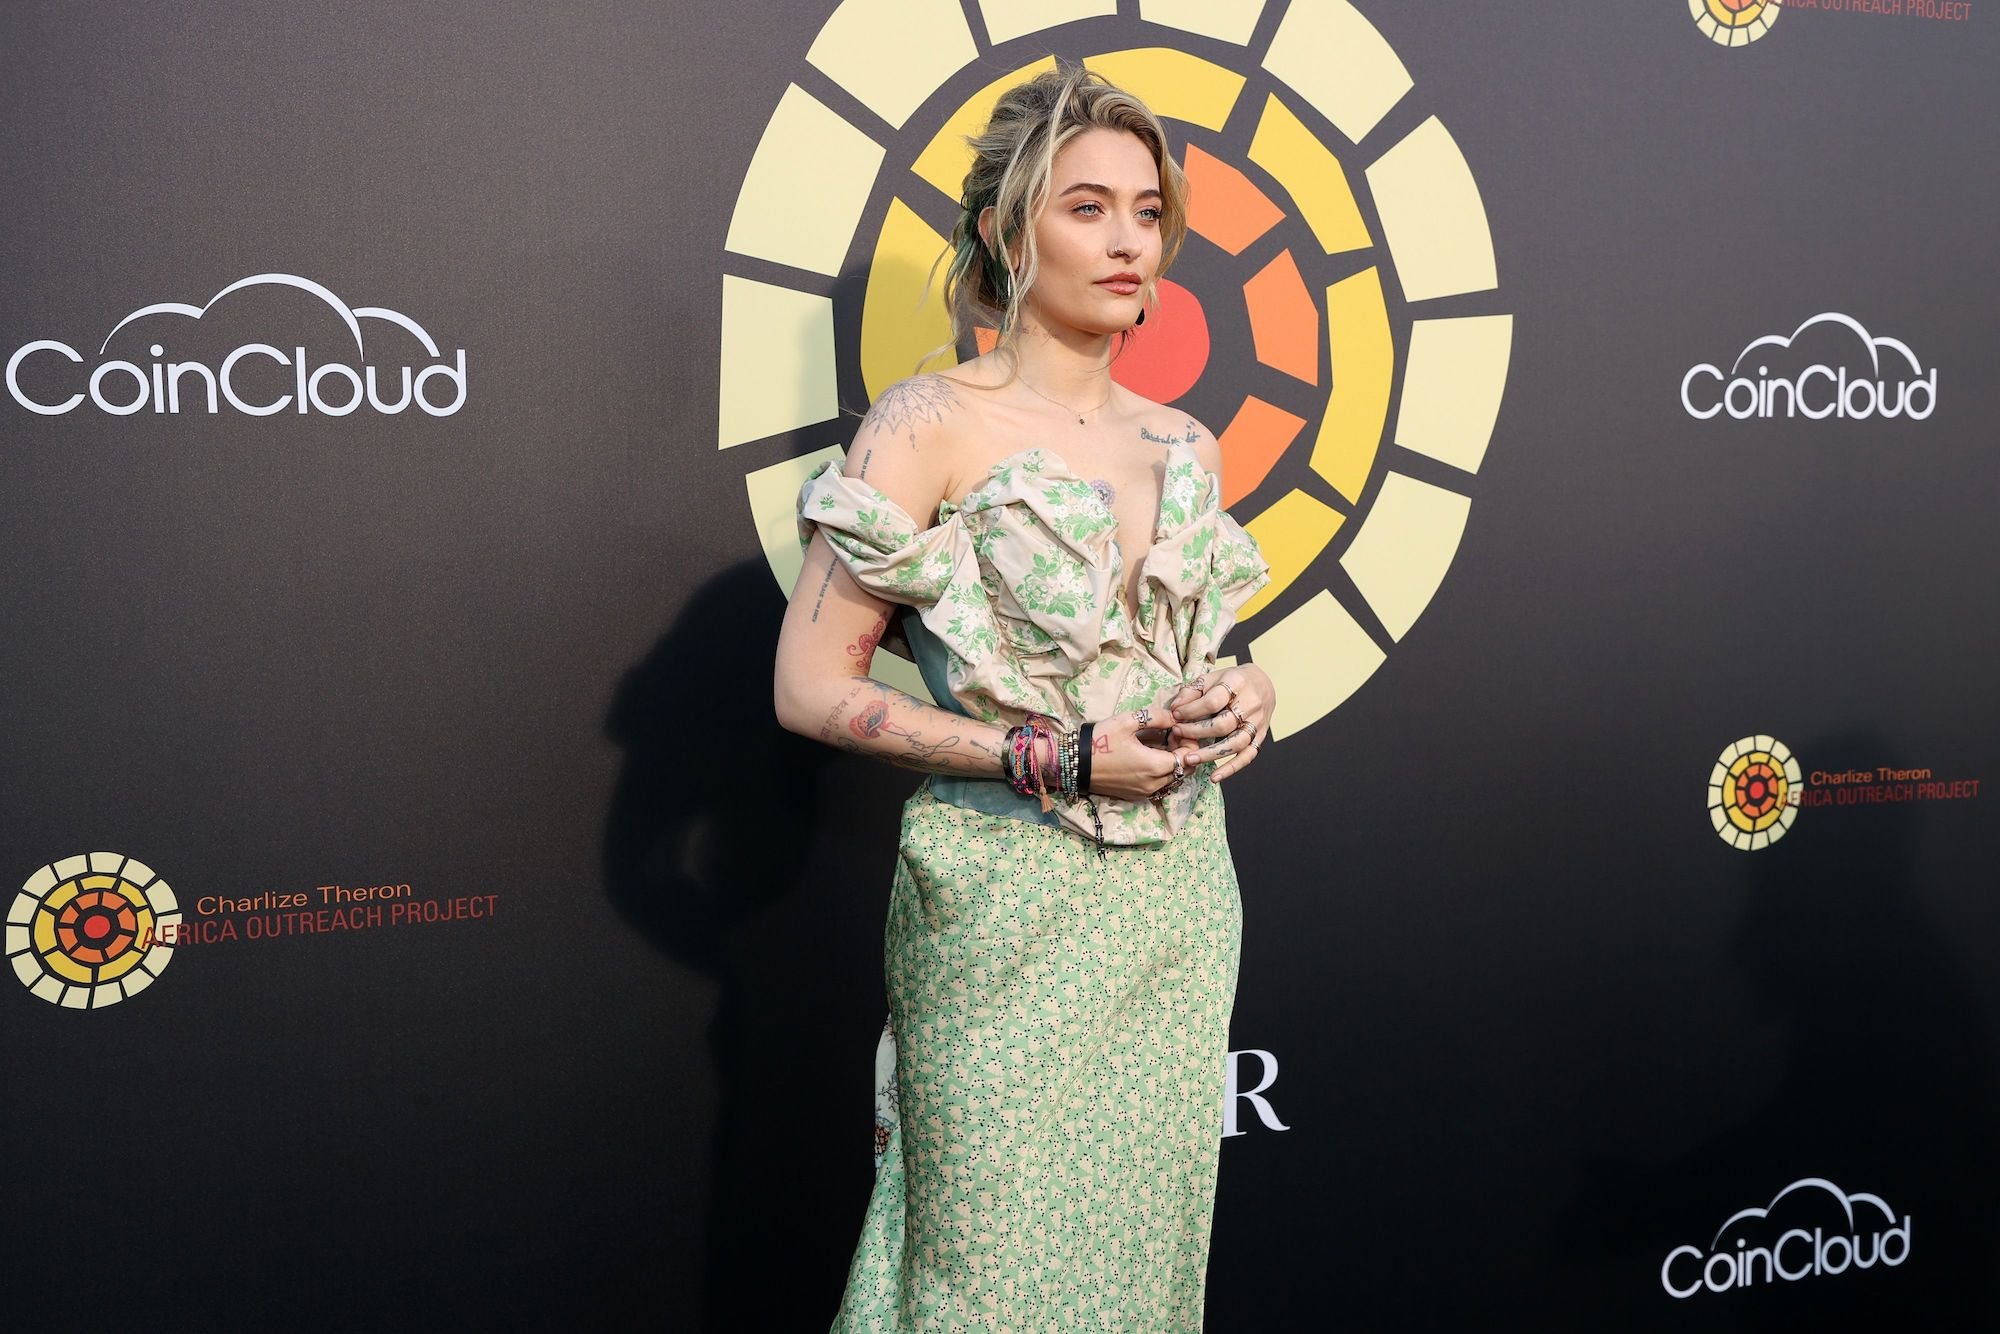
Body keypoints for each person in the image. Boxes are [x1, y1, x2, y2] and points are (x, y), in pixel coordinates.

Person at [773, 63, 1275, 1332]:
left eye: (1146, 211)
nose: (1126, 241)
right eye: (1087, 206)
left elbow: (1177, 654)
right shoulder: (931, 421)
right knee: (973, 1271)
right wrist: (1048, 755)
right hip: (999, 908)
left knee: (1142, 1267)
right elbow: (808, 686)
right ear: (1008, 229)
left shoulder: (1184, 443)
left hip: (1173, 902)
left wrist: (1243, 689)